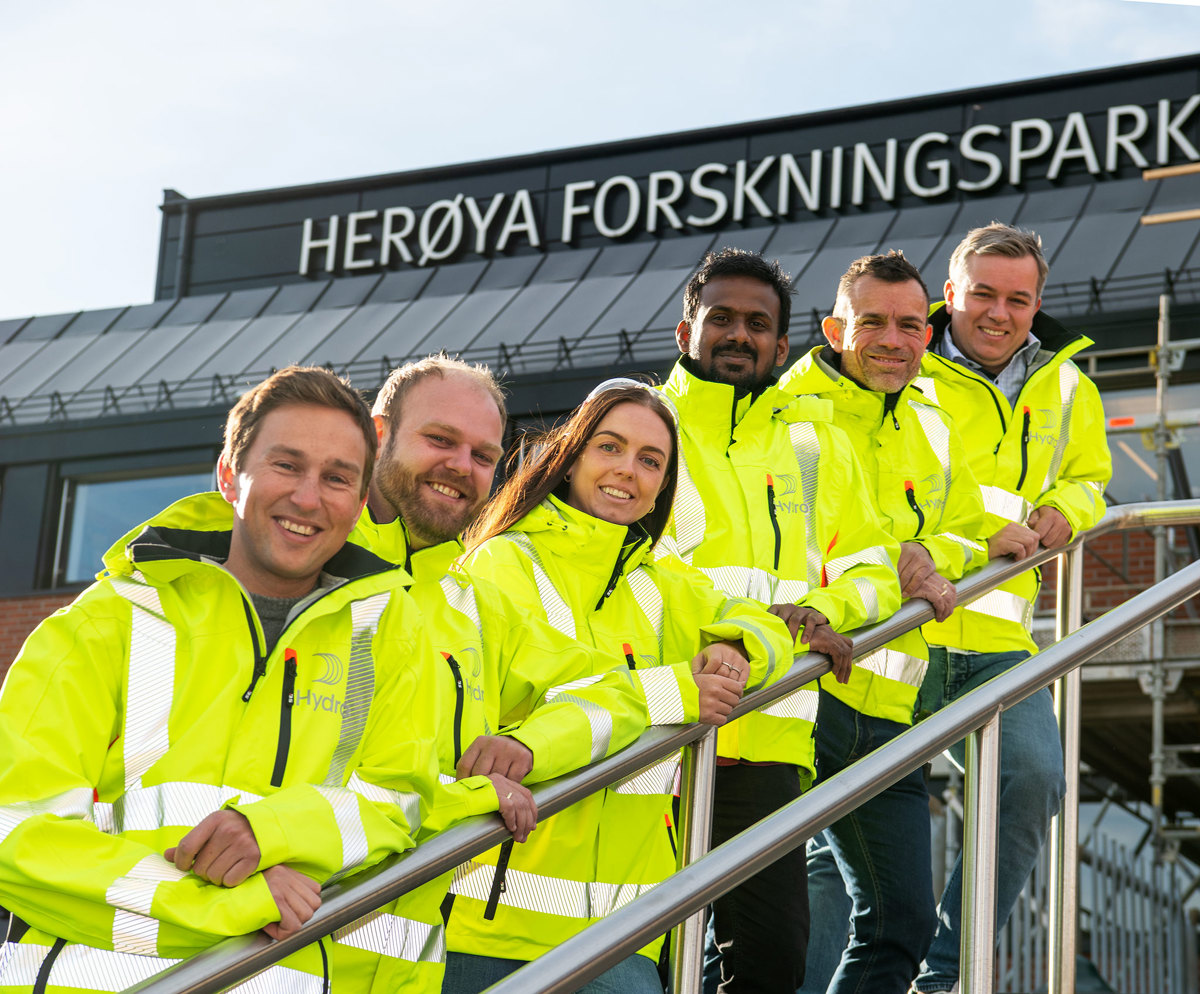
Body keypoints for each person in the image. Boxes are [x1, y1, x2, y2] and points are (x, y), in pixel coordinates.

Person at [0, 366, 446, 994]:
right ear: (229, 476)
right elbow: (17, 832)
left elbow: (397, 802)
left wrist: (271, 831)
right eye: (287, 466)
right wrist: (225, 905)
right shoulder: (104, 624)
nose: (310, 498)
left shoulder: (392, 636)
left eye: (338, 478)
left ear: (360, 498)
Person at [451, 379, 795, 994]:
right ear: (572, 454)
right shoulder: (502, 562)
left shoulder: (662, 582)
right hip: (490, 933)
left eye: (650, 461)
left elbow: (766, 624)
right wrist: (676, 690)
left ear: (665, 486)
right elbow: (560, 690)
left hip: (631, 933)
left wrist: (735, 645)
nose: (626, 471)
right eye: (609, 447)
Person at [347, 357, 651, 994]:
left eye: (483, 455)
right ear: (378, 435)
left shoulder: (468, 604)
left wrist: (528, 746)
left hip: (413, 962)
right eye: (439, 440)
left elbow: (611, 695)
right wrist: (476, 797)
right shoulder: (304, 582)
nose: (461, 466)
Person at [661, 248, 904, 993]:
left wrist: (818, 612)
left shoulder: (815, 442)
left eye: (757, 324)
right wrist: (753, 619)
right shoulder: (641, 427)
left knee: (771, 962)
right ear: (685, 332)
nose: (739, 335)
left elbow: (872, 570)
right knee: (652, 958)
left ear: (782, 346)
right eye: (722, 318)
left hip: (770, 739)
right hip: (658, 732)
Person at [909, 224, 1112, 993]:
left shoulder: (1066, 384)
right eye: (983, 295)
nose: (999, 314)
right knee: (849, 833)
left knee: (1032, 779)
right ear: (950, 293)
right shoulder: (900, 362)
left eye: (1017, 299)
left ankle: (946, 977)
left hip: (997, 637)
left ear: (1037, 302)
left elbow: (1091, 477)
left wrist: (1068, 504)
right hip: (897, 631)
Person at [778, 251, 987, 993]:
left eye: (909, 325)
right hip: (804, 691)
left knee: (902, 923)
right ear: (836, 328)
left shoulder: (931, 416)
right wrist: (884, 556)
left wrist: (925, 551)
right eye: (872, 323)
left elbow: (972, 531)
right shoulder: (788, 411)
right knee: (763, 927)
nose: (893, 340)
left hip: (889, 701)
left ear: (928, 335)